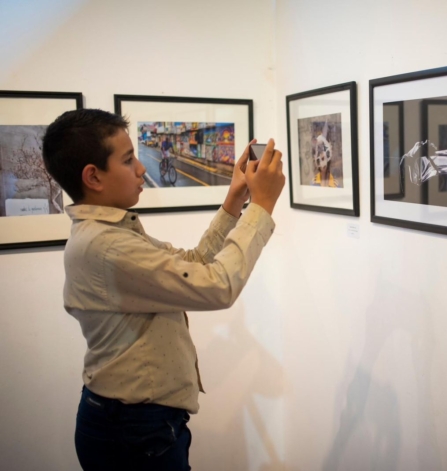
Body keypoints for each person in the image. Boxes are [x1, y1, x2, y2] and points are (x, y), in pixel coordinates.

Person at [41, 109, 285, 471]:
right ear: (93, 176)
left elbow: (194, 262)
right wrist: (261, 206)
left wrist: (236, 199)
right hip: (133, 430)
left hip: (133, 423)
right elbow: (218, 285)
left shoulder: (110, 233)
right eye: (128, 160)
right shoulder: (107, 246)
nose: (141, 168)